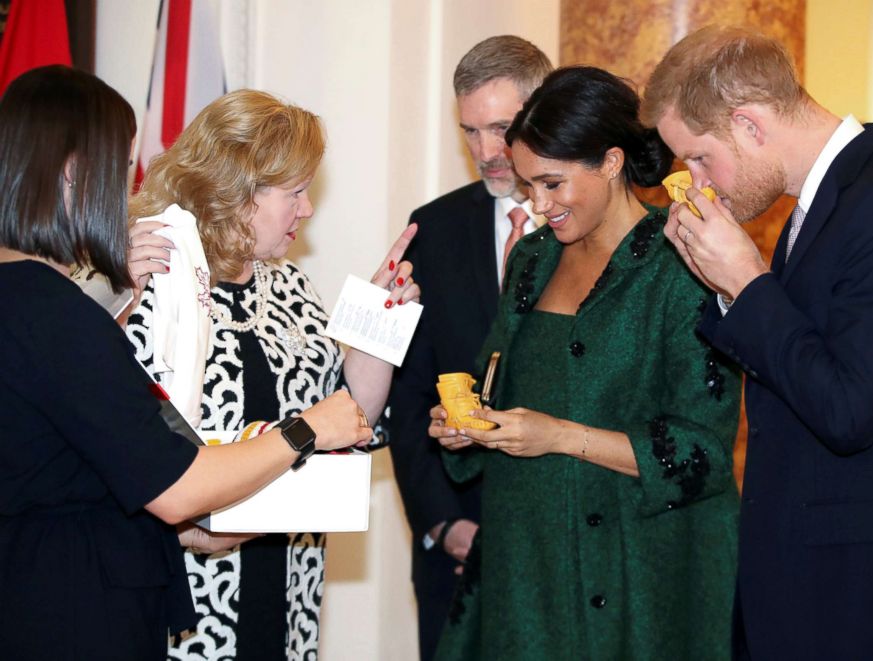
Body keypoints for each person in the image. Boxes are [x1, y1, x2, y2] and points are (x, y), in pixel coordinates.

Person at [0, 66, 371, 661]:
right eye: (120, 169)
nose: (125, 194)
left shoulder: (40, 302)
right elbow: (173, 487)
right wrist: (306, 431)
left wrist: (217, 521)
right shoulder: (57, 311)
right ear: (74, 173)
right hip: (70, 611)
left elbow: (123, 469)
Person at [643, 25, 873, 660]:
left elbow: (847, 410)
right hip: (809, 583)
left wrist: (745, 280)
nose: (697, 179)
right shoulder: (821, 204)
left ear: (749, 124)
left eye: (699, 157)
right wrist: (727, 286)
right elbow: (794, 368)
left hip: (869, 600)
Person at [428, 66, 742, 660]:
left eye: (553, 183)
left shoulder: (684, 266)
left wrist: (561, 436)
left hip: (635, 577)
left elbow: (702, 454)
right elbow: (492, 380)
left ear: (612, 162)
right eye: (528, 187)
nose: (539, 206)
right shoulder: (532, 259)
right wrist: (465, 425)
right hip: (524, 573)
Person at [125, 89, 420, 660]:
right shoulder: (153, 284)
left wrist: (378, 329)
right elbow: (132, 448)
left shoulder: (288, 285)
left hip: (289, 582)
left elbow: (345, 417)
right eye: (296, 191)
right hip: (191, 588)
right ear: (237, 192)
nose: (307, 209)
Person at [387, 35, 552, 659]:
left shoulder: (594, 228)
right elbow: (409, 394)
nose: (486, 152)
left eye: (501, 129)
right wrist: (444, 525)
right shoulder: (433, 227)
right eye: (470, 132)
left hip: (567, 548)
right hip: (457, 550)